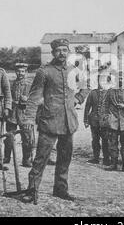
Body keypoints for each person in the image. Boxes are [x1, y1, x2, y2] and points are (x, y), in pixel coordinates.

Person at [20, 39, 88, 203]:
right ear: (53, 53)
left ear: (68, 52)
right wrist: (29, 118)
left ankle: (60, 189)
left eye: (65, 50)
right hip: (49, 122)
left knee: (65, 158)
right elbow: (34, 97)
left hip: (68, 122)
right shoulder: (44, 72)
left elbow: (86, 86)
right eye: (58, 50)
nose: (62, 53)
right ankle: (32, 190)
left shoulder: (75, 70)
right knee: (41, 158)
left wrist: (77, 99)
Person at [101, 74, 124, 173]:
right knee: (112, 144)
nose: (120, 81)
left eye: (122, 79)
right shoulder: (110, 91)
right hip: (113, 122)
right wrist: (106, 117)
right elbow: (104, 105)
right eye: (118, 79)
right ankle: (113, 164)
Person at [3, 63, 34, 167]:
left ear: (26, 72)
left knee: (27, 137)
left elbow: (36, 100)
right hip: (12, 113)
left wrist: (27, 99)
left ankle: (26, 160)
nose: (20, 73)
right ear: (15, 72)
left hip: (25, 114)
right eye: (18, 71)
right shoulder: (11, 83)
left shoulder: (31, 85)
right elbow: (6, 96)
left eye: (23, 71)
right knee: (9, 137)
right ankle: (6, 157)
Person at [83, 72, 110, 165]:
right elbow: (87, 107)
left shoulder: (109, 93)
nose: (101, 83)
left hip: (105, 121)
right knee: (95, 140)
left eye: (104, 80)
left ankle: (106, 159)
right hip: (94, 120)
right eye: (100, 80)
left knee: (106, 140)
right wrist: (85, 120)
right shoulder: (92, 93)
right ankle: (96, 158)